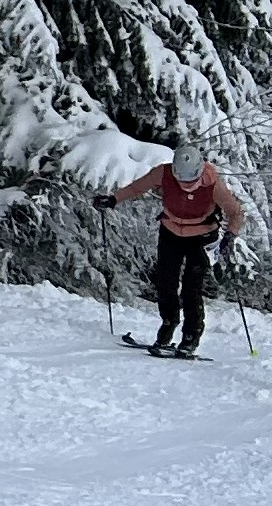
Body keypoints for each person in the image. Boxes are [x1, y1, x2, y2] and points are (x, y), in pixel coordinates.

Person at [106, 135, 248, 356]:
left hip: (202, 236)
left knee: (192, 287)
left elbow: (235, 212)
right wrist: (114, 199)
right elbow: (136, 188)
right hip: (171, 231)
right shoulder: (163, 173)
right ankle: (168, 323)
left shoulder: (213, 183)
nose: (187, 186)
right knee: (166, 283)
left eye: (191, 181)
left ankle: (191, 336)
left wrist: (230, 235)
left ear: (200, 172)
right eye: (182, 180)